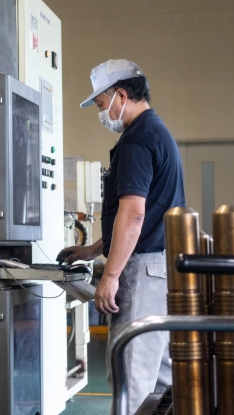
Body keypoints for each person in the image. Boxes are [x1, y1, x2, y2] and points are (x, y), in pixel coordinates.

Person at [57, 59, 185, 414]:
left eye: (101, 104)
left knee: (132, 377)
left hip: (142, 272)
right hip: (161, 270)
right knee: (159, 381)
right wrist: (94, 249)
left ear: (122, 95)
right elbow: (146, 214)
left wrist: (110, 276)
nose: (102, 113)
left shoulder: (136, 140)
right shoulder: (156, 131)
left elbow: (134, 213)